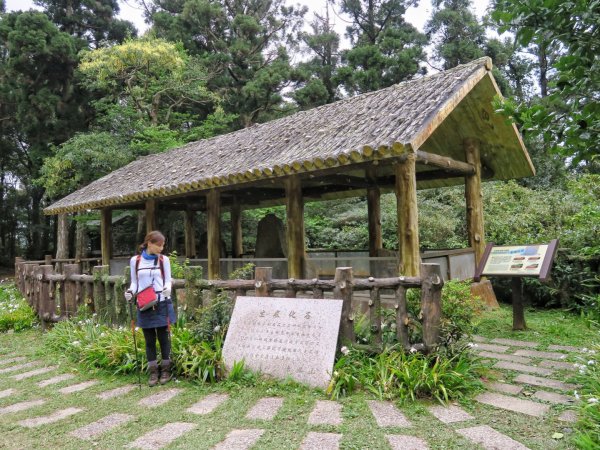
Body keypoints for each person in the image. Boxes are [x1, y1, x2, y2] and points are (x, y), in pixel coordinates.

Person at [124, 231, 175, 386]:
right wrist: (130, 292)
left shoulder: (163, 260)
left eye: (163, 245)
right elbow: (134, 283)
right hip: (144, 303)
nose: (161, 248)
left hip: (161, 302)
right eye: (159, 245)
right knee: (149, 340)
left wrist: (167, 289)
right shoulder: (136, 261)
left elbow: (168, 280)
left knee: (163, 338)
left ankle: (166, 370)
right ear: (149, 243)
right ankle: (153, 373)